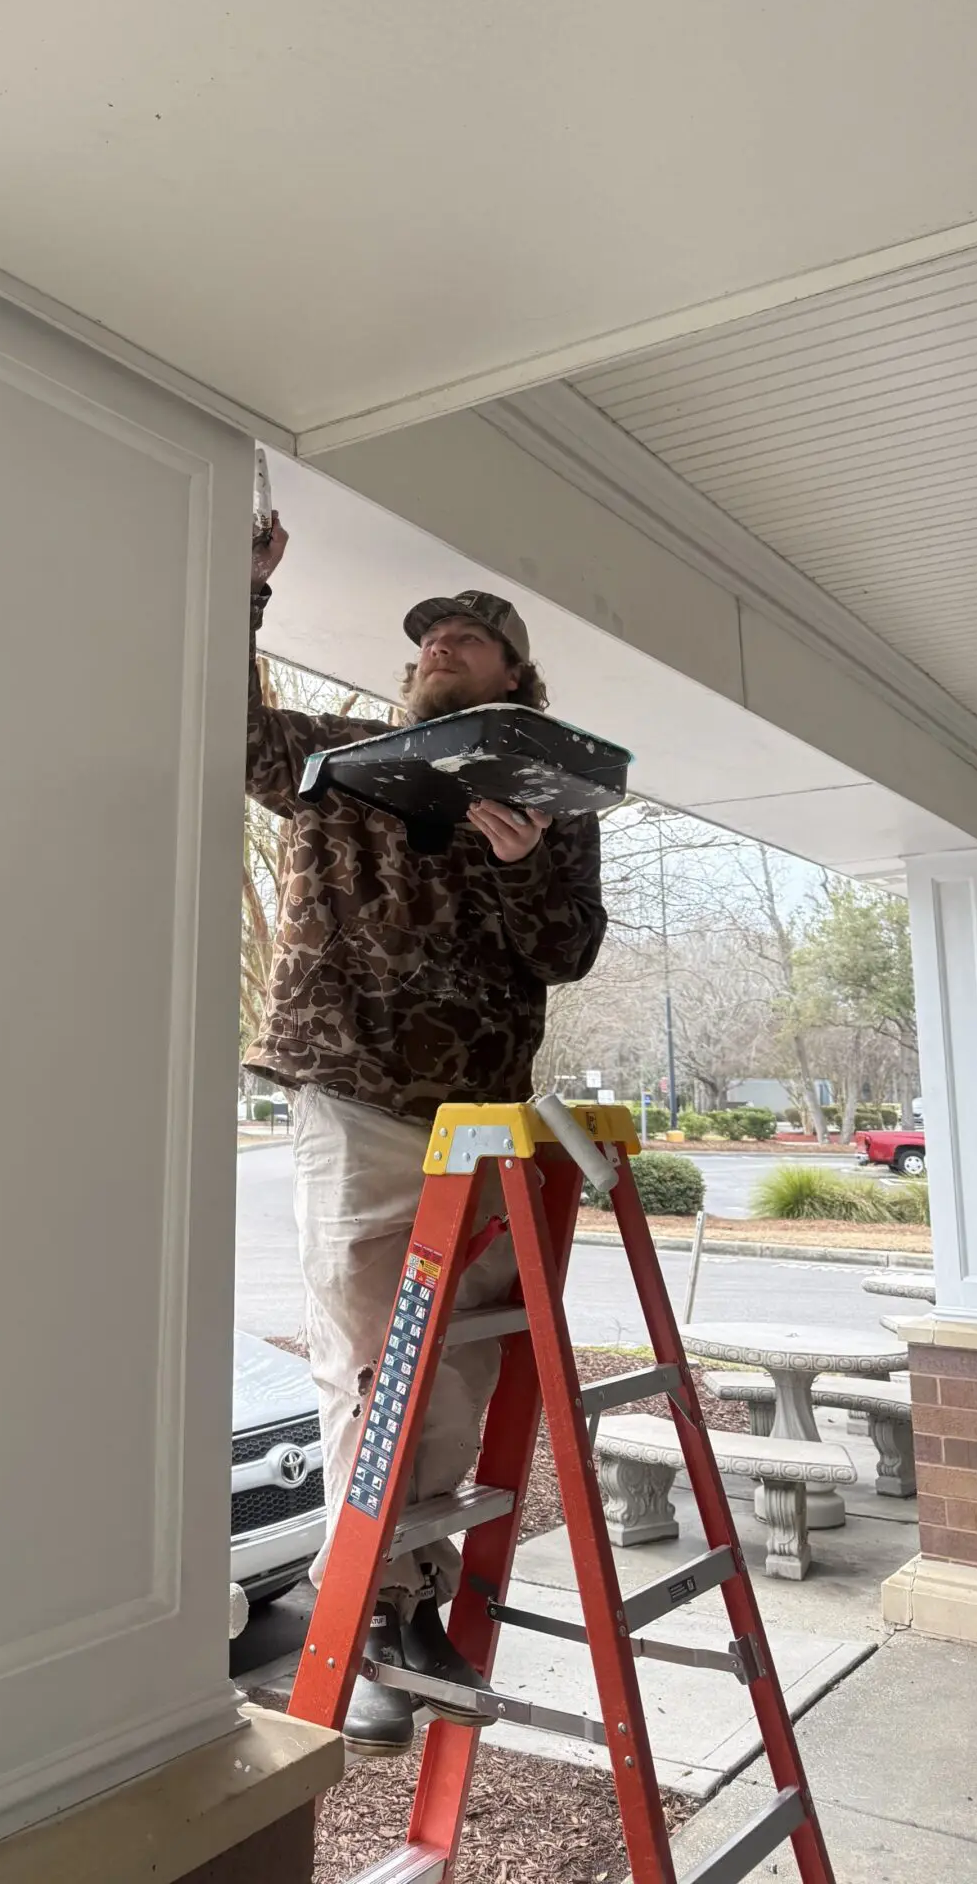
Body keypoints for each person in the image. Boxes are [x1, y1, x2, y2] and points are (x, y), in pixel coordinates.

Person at [246, 514, 607, 1756]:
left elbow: (564, 950)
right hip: (349, 1089)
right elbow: (236, 735)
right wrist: (243, 589)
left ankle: (415, 1593)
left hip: (478, 1117)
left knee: (455, 1365)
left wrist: (519, 861)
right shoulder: (340, 758)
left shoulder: (549, 800)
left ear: (516, 682)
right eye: (429, 638)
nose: (442, 641)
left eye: (472, 635)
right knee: (362, 1356)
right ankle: (385, 1614)